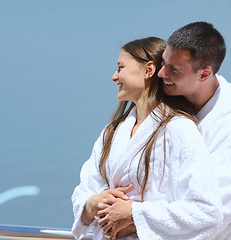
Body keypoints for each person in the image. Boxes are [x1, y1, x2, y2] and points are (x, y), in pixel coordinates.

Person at [102, 22, 231, 239]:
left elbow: (218, 214)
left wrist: (135, 214)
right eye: (164, 63)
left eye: (174, 70)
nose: (161, 73)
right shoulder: (168, 113)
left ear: (205, 74)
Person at [71, 37, 223, 240]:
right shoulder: (112, 132)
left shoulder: (179, 129)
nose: (114, 77)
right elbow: (85, 189)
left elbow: (207, 211)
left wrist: (136, 215)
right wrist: (93, 203)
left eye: (120, 67)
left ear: (148, 70)